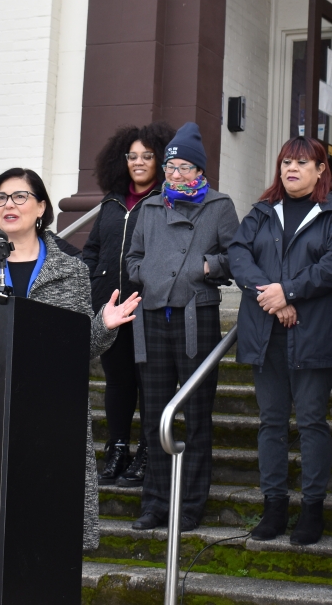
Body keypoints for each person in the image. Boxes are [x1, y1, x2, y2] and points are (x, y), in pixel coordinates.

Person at [0, 167, 141, 552]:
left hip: (50, 411)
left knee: (47, 527)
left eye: (20, 196)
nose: (8, 204)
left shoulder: (70, 268)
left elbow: (78, 348)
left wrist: (104, 325)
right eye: (1, 197)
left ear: (40, 207)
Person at [228, 137, 332, 545]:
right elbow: (238, 254)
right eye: (286, 161)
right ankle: (274, 506)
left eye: (302, 162)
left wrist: (289, 291)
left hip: (315, 334)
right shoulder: (263, 212)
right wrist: (271, 295)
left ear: (321, 170)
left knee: (313, 422)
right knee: (270, 422)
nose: (292, 168)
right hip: (267, 334)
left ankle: (312, 509)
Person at [125, 122, 240, 532]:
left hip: (197, 315)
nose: (176, 174)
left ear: (200, 171)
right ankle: (155, 503)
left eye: (185, 167)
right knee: (155, 411)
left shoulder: (219, 206)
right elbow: (132, 258)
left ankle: (190, 504)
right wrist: (150, 274)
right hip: (152, 315)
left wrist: (205, 266)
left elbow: (236, 256)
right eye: (172, 166)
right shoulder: (152, 207)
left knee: (195, 412)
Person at [82, 121, 175, 488]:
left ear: (160, 160)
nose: (138, 162)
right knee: (118, 382)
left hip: (147, 309)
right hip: (110, 310)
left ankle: (148, 453)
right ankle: (117, 449)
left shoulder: (166, 201)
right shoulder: (110, 202)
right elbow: (92, 249)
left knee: (148, 383)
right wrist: (93, 286)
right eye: (132, 156)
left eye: (147, 156)